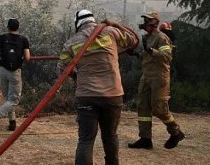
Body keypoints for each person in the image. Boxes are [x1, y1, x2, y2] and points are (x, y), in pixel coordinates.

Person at [57, 10, 139, 165]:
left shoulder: (71, 43)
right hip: (113, 95)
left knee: (86, 139)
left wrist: (76, 77)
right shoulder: (111, 32)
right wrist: (116, 24)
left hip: (87, 96)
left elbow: (62, 68)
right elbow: (134, 40)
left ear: (77, 23)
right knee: (110, 136)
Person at [128, 12, 184, 150]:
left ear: (153, 22)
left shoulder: (162, 38)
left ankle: (176, 132)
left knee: (159, 109)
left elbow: (166, 57)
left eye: (147, 20)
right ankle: (145, 139)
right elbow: (146, 56)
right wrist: (136, 54)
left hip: (159, 77)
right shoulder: (147, 37)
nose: (144, 22)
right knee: (143, 107)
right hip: (146, 76)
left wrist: (150, 50)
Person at [0, 18, 30, 132]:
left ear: (8, 27)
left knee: (7, 98)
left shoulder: (2, 38)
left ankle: (12, 123)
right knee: (13, 100)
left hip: (3, 70)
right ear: (18, 27)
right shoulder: (23, 40)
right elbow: (28, 58)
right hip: (15, 72)